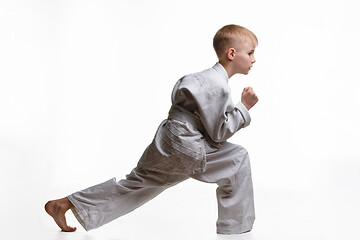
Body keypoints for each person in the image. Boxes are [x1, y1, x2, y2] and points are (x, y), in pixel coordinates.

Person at [45, 24, 259, 235]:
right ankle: (235, 229)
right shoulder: (217, 85)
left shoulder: (201, 77)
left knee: (137, 184)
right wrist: (243, 107)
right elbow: (218, 133)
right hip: (186, 143)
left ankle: (66, 204)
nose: (253, 59)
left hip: (169, 139)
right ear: (232, 53)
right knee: (238, 158)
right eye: (250, 53)